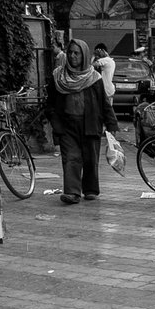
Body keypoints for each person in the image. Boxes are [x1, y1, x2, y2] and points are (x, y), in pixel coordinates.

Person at [45, 38, 119, 205]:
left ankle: (91, 190)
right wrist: (55, 121)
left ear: (84, 55)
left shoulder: (94, 78)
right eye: (70, 52)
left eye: (76, 53)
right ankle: (72, 192)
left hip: (90, 123)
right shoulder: (58, 77)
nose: (72, 56)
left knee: (90, 158)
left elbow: (104, 103)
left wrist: (111, 123)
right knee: (71, 158)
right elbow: (50, 104)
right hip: (67, 125)